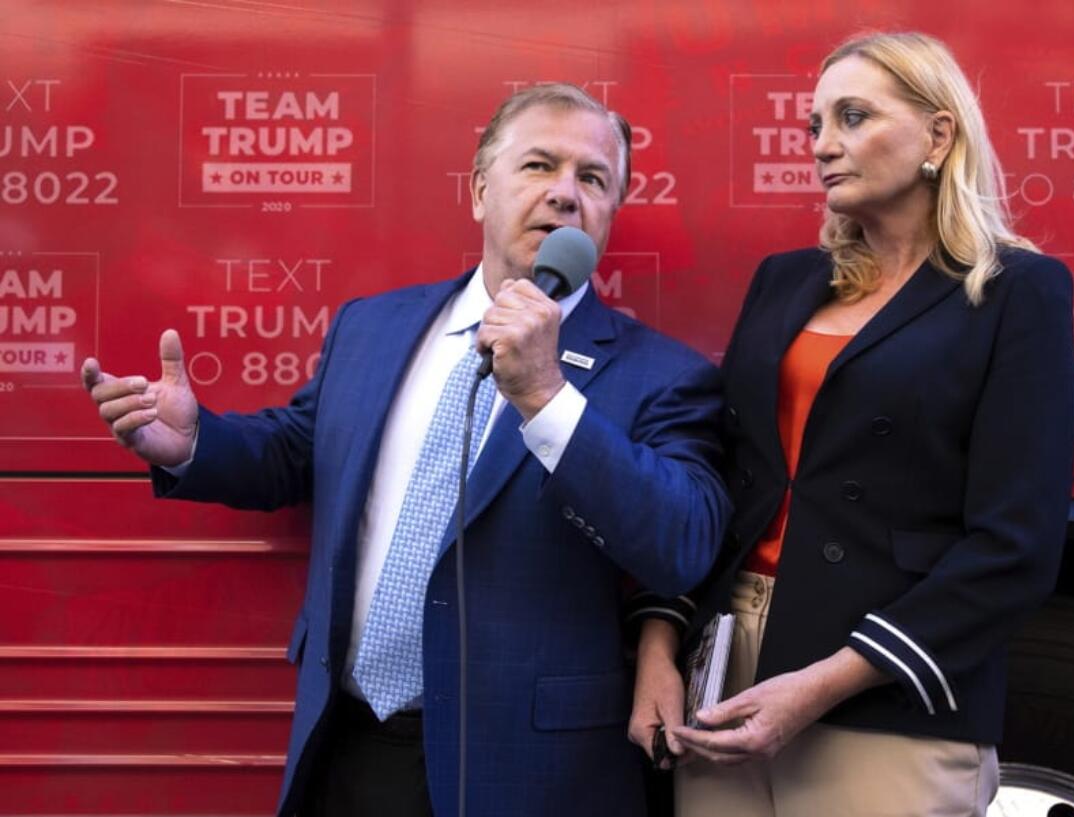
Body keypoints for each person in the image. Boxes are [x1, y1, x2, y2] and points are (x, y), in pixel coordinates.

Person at [81, 83, 730, 817]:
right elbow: (298, 449)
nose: (564, 194)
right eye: (539, 166)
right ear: (481, 191)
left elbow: (681, 544)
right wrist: (195, 441)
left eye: (592, 179)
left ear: (611, 208)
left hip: (530, 770)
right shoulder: (374, 325)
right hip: (350, 739)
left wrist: (548, 395)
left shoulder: (665, 375)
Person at [628, 31, 1074, 816]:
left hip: (886, 692)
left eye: (853, 116)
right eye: (814, 126)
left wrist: (824, 682)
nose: (823, 145)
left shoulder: (1017, 292)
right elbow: (715, 477)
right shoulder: (786, 281)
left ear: (939, 136)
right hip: (725, 677)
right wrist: (659, 644)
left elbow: (1015, 543)